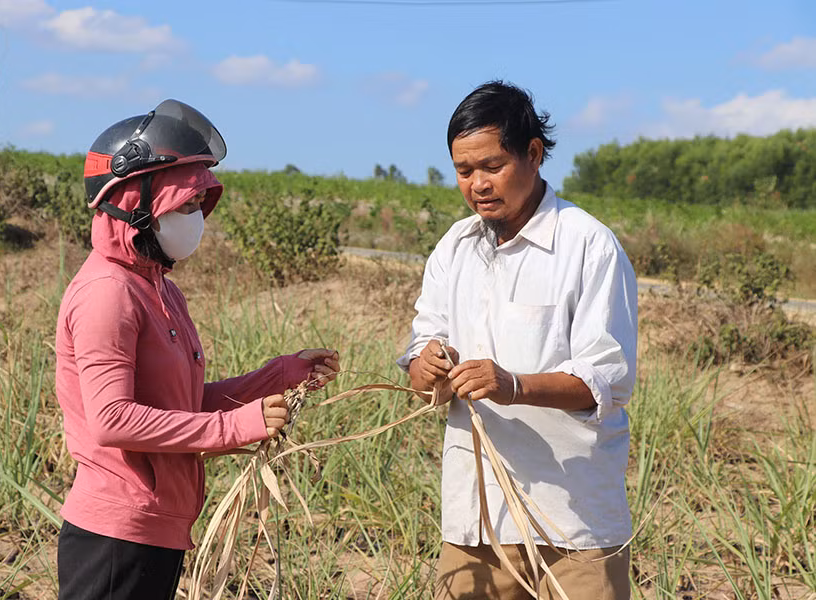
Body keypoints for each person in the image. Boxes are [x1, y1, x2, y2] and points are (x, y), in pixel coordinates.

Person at [55, 99, 340, 600]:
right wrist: (237, 426)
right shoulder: (108, 293)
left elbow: (180, 404)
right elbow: (112, 420)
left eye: (197, 204)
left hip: (155, 529)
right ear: (134, 203)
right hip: (116, 536)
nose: (196, 218)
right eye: (184, 204)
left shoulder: (160, 290)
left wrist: (278, 377)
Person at [397, 81, 637, 599]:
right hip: (477, 521)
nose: (478, 184)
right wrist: (429, 368)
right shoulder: (455, 247)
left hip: (573, 524)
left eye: (492, 166)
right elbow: (421, 366)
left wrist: (513, 386)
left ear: (533, 153)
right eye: (464, 171)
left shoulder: (588, 246)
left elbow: (607, 381)